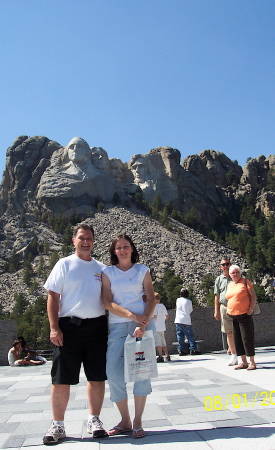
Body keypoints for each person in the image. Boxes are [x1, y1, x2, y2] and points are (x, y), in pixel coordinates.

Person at [42, 222, 108, 445]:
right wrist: (54, 327)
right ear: (74, 241)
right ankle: (58, 424)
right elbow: (52, 296)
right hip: (68, 328)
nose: (86, 241)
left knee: (97, 377)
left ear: (94, 240)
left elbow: (113, 296)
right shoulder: (64, 264)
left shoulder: (101, 267)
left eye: (89, 237)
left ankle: (94, 420)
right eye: (82, 237)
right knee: (61, 379)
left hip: (97, 328)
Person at [102, 234, 156, 439]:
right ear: (114, 251)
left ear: (132, 249)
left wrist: (142, 322)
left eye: (126, 247)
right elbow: (107, 302)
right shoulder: (107, 272)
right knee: (114, 375)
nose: (122, 251)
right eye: (118, 248)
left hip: (141, 326)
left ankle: (138, 420)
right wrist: (131, 315)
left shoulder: (143, 270)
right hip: (117, 327)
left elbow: (151, 299)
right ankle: (124, 420)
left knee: (142, 374)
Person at [226, 265, 257, 370]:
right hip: (233, 316)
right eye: (233, 273)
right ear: (230, 275)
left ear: (240, 273)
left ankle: (252, 361)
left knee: (247, 338)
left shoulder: (245, 282)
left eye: (237, 272)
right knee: (237, 339)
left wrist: (250, 309)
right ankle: (243, 361)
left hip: (244, 314)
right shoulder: (230, 285)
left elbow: (253, 296)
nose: (235, 274)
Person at [214, 257, 238, 366]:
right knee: (228, 332)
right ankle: (233, 354)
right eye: (223, 264)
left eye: (227, 264)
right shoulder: (218, 279)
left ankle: (240, 352)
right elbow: (217, 296)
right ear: (220, 267)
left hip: (235, 306)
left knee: (238, 330)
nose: (225, 266)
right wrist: (216, 311)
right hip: (224, 306)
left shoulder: (235, 277)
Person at [174, 288, 200, 356]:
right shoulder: (188, 301)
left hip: (178, 320)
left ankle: (181, 350)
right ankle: (193, 349)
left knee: (180, 336)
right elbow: (190, 310)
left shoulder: (178, 300)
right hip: (186, 320)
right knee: (189, 336)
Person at [153, 293, 170, 362]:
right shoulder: (162, 306)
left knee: (158, 343)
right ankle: (167, 355)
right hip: (162, 326)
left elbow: (154, 316)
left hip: (156, 327)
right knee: (163, 342)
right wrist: (162, 320)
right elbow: (167, 316)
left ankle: (160, 356)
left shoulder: (155, 306)